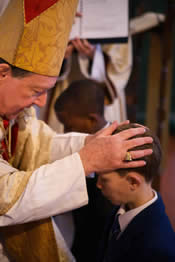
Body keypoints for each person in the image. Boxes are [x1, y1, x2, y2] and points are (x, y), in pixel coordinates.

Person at [0, 1, 153, 262]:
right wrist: (86, 160)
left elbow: (42, 145)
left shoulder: (14, 114)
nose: (42, 103)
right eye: (36, 91)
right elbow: (5, 194)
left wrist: (92, 144)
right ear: (3, 73)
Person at [96, 123, 175, 262]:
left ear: (133, 182)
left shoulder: (158, 249)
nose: (98, 185)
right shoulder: (121, 205)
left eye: (104, 179)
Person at [54, 79, 114, 262]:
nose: (65, 133)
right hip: (78, 234)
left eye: (69, 126)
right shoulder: (77, 141)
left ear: (92, 120)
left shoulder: (114, 150)